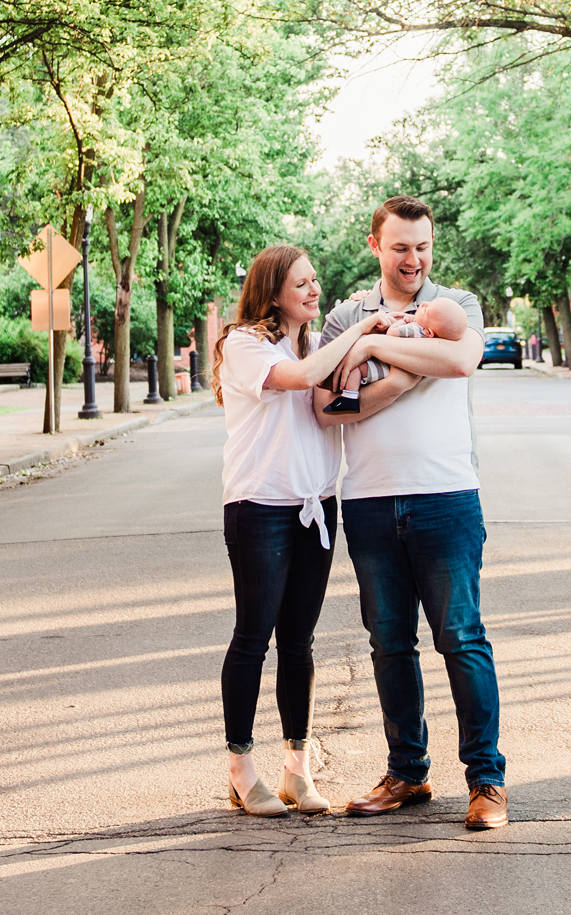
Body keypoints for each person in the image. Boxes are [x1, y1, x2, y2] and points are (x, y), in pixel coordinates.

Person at [315, 196, 508, 831]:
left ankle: (486, 781)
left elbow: (461, 360)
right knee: (389, 643)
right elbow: (328, 407)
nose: (414, 260)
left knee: (462, 638)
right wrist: (402, 375)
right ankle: (408, 772)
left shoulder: (459, 306)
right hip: (369, 500)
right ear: (376, 246)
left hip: (447, 496)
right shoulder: (347, 314)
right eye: (401, 248)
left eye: (423, 246)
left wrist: (374, 356)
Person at [213, 243, 387, 817]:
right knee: (253, 638)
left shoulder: (312, 341)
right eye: (302, 284)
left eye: (316, 282)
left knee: (300, 641)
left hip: (317, 505)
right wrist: (361, 330)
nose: (314, 290)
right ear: (273, 292)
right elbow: (302, 378)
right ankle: (241, 769)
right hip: (259, 507)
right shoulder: (244, 345)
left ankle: (296, 768)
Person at [325, 295, 469, 414]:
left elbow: (392, 333)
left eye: (426, 310)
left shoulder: (416, 329)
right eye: (428, 303)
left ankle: (349, 398)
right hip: (387, 368)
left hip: (383, 367)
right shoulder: (432, 338)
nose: (424, 303)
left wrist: (400, 322)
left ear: (429, 333)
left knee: (355, 369)